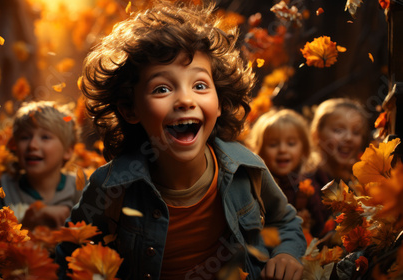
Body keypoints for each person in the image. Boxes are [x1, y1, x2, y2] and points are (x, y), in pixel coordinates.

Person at [56, 2, 306, 280]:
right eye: (162, 88)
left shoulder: (246, 168)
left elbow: (284, 220)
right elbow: (68, 252)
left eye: (200, 85)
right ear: (130, 109)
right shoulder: (112, 187)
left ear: (220, 102)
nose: (186, 100)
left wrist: (286, 253)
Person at [0, 101, 82, 229]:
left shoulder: (79, 189)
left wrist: (69, 217)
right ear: (15, 146)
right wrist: (27, 222)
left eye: (45, 137)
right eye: (25, 137)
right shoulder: (5, 192)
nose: (32, 145)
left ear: (68, 151)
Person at [247, 109, 325, 238]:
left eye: (291, 144)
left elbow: (320, 227)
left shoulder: (307, 188)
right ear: (259, 150)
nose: (282, 150)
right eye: (273, 144)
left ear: (304, 149)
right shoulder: (255, 186)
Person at [308, 98, 370, 230]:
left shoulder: (357, 182)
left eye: (356, 132)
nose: (348, 137)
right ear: (316, 135)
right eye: (338, 130)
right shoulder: (307, 183)